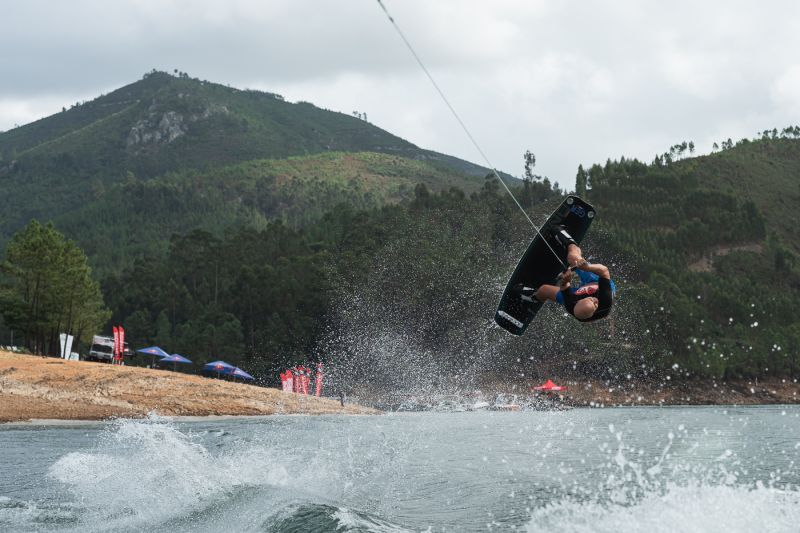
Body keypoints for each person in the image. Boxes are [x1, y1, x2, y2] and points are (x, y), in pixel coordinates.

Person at [516, 227, 616, 322]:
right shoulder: (605, 300)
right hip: (596, 282)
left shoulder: (571, 303)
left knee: (544, 290)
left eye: (594, 305)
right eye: (593, 301)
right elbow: (604, 271)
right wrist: (586, 267)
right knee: (573, 259)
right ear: (581, 300)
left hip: (581, 303)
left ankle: (533, 297)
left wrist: (565, 280)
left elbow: (564, 287)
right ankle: (565, 238)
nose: (596, 301)